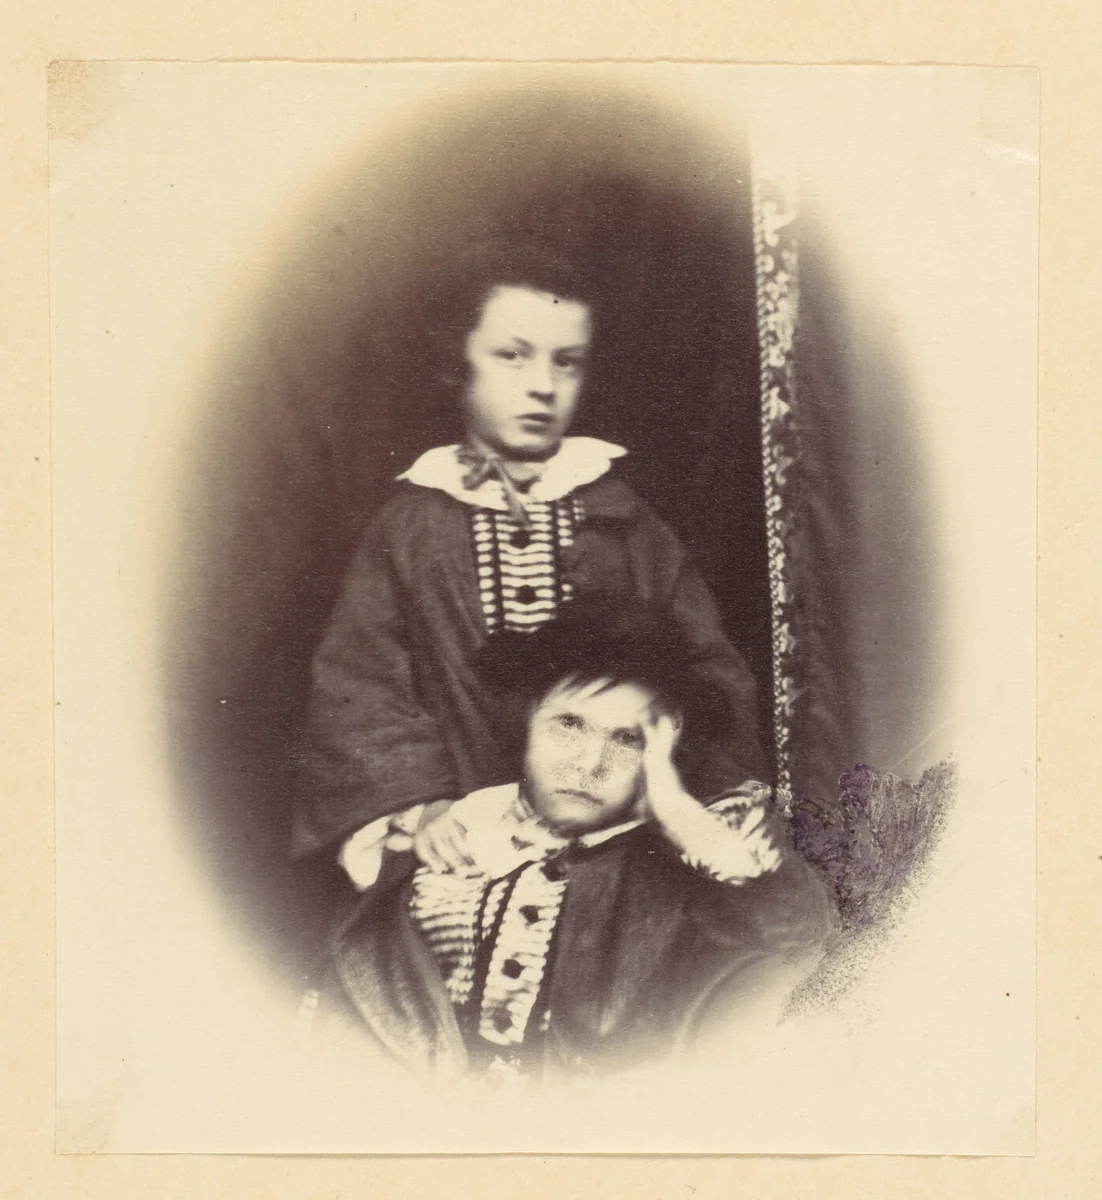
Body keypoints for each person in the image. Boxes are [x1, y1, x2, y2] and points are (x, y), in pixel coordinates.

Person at [293, 239, 768, 889]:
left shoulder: (628, 523)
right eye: (512, 356)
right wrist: (421, 805)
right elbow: (360, 689)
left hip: (622, 852)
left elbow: (707, 674)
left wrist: (690, 798)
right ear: (459, 366)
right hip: (460, 845)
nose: (542, 386)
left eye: (566, 364)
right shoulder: (410, 528)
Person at [307, 602, 838, 1081]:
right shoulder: (452, 843)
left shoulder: (693, 868)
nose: (589, 764)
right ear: (526, 722)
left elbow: (799, 947)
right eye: (568, 724)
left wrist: (676, 808)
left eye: (628, 740)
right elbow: (356, 997)